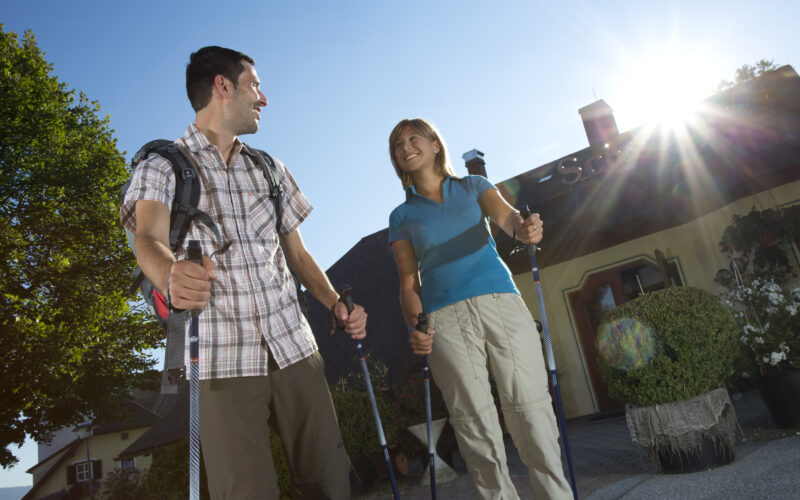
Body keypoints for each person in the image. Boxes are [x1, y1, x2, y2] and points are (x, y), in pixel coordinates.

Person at [121, 46, 365, 499]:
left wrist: (336, 304)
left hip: (294, 345)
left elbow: (298, 255)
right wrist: (170, 273)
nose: (264, 98)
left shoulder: (270, 169)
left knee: (331, 483)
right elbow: (148, 240)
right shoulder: (161, 166)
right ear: (223, 86)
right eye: (255, 85)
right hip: (220, 361)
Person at [387, 118, 573, 500]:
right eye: (397, 145)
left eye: (413, 138)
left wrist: (527, 229)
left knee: (531, 408)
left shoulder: (474, 186)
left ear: (435, 145)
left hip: (500, 303)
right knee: (474, 424)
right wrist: (414, 327)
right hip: (444, 320)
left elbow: (509, 221)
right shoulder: (401, 217)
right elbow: (408, 283)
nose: (405, 147)